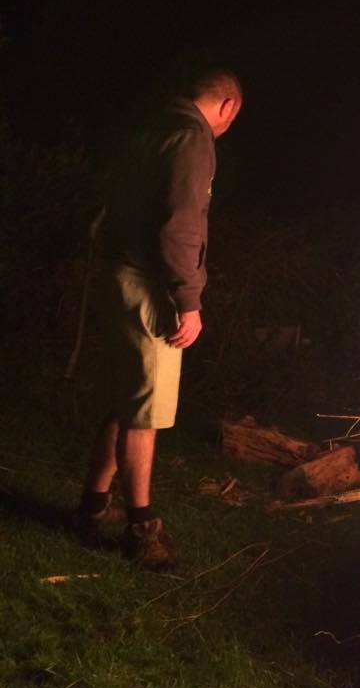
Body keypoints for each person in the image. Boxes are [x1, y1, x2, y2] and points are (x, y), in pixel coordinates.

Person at [75, 67, 243, 568]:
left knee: (123, 397)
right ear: (228, 106)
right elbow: (181, 225)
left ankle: (93, 507)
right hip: (147, 282)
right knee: (144, 412)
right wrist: (188, 300)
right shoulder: (193, 138)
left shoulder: (153, 126)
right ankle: (141, 530)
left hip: (115, 270)